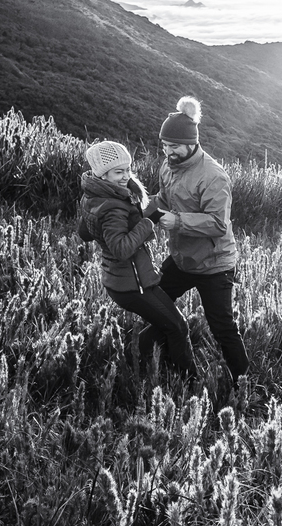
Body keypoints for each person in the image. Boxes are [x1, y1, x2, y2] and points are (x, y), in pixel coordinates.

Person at [150, 95, 250, 391]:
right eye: (165, 146)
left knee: (222, 327)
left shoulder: (213, 176)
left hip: (214, 264)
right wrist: (141, 208)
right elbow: (163, 198)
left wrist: (177, 221)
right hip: (183, 259)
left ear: (192, 143)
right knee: (155, 305)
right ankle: (160, 359)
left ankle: (243, 384)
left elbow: (218, 224)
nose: (168, 152)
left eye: (175, 147)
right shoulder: (168, 166)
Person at [78, 140, 198, 379]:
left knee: (169, 324)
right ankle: (188, 381)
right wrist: (148, 221)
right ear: (102, 174)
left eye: (127, 170)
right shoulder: (112, 206)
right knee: (177, 326)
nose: (125, 177)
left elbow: (85, 232)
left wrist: (130, 217)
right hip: (132, 285)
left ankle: (131, 363)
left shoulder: (93, 196)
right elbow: (122, 249)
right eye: (118, 172)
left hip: (122, 281)